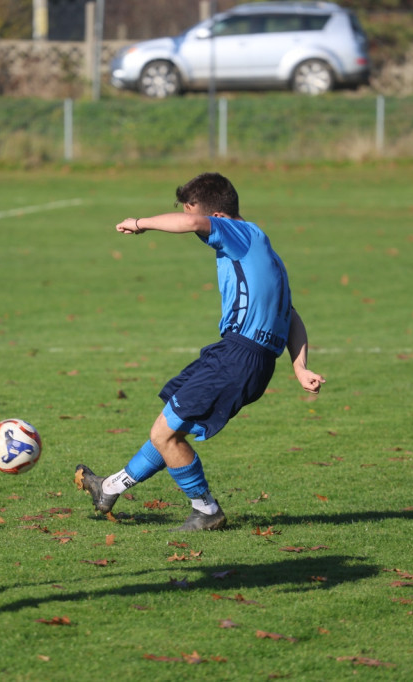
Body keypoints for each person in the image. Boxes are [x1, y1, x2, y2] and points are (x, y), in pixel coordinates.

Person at [75, 172, 324, 531]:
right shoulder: (263, 249)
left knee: (165, 434)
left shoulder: (237, 233)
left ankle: (206, 510)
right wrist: (300, 367)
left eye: (201, 222)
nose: (198, 232)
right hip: (242, 357)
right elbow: (291, 315)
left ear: (218, 217)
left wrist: (139, 223)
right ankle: (110, 488)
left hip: (238, 357)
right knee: (170, 426)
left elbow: (193, 220)